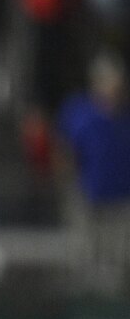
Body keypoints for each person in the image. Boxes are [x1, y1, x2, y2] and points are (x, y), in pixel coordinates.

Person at [57, 50, 130, 295]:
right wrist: (68, 182)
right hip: (87, 194)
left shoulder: (125, 116)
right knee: (83, 259)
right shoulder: (80, 112)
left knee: (117, 264)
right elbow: (66, 151)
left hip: (122, 199)